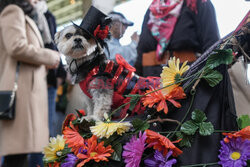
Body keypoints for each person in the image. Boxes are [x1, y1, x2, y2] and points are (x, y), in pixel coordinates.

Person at [0, 0, 60, 166]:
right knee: (17, 157)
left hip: (25, 92)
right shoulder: (13, 11)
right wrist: (50, 56)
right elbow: (16, 47)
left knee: (19, 156)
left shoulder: (21, 13)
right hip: (21, 94)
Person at [135, 0, 220, 77]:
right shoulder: (152, 10)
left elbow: (212, 47)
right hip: (151, 85)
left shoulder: (199, 3)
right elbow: (141, 53)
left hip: (187, 82)